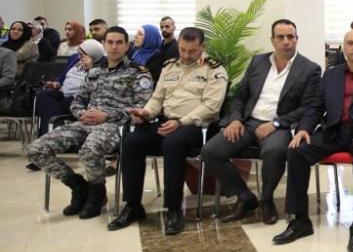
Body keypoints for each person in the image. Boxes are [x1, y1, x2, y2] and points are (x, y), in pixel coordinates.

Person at [278, 29, 353, 251]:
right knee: (296, 151)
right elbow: (316, 106)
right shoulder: (331, 74)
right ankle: (300, 220)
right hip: (333, 131)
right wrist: (304, 129)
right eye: (350, 43)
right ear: (344, 47)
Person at [200, 19, 322, 225]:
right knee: (210, 151)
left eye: (290, 37)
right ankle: (245, 197)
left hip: (279, 126)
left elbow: (308, 107)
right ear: (272, 40)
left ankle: (266, 199)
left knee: (274, 151)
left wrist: (276, 124)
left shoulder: (310, 69)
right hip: (247, 123)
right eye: (281, 37)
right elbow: (240, 96)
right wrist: (235, 119)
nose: (286, 41)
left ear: (297, 39)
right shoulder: (258, 62)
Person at [26, 27, 153, 218]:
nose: (114, 47)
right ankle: (79, 186)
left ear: (127, 46)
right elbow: (77, 100)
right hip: (86, 122)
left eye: (119, 42)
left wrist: (106, 116)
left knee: (89, 149)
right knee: (36, 149)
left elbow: (142, 107)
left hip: (116, 126)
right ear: (104, 45)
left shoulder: (138, 72)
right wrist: (81, 113)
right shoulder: (95, 71)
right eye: (110, 42)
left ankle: (97, 194)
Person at [111, 27, 227, 235]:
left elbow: (211, 107)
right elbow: (157, 98)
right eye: (182, 49)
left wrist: (181, 122)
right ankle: (133, 205)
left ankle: (174, 209)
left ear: (203, 47)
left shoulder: (214, 70)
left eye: (192, 51)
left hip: (195, 126)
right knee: (132, 142)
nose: (186, 55)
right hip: (166, 121)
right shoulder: (169, 66)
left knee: (172, 144)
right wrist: (146, 112)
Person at [34, 39, 106, 137]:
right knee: (44, 96)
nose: (80, 57)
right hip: (64, 92)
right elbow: (64, 74)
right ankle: (52, 131)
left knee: (58, 106)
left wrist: (90, 65)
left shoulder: (101, 63)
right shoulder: (74, 59)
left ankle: (52, 132)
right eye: (80, 54)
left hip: (79, 96)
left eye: (83, 54)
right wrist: (57, 83)